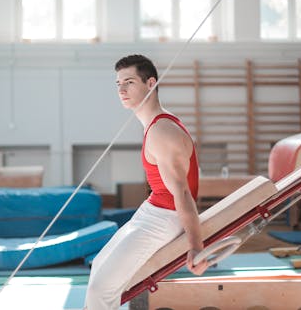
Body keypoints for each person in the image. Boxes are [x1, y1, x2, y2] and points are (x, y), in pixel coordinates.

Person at [84, 54, 208, 309]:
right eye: (118, 83)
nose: (121, 90)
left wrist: (196, 246)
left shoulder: (162, 131)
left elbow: (183, 194)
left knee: (101, 288)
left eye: (129, 82)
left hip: (164, 218)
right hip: (151, 210)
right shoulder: (153, 124)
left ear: (150, 83)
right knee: (98, 267)